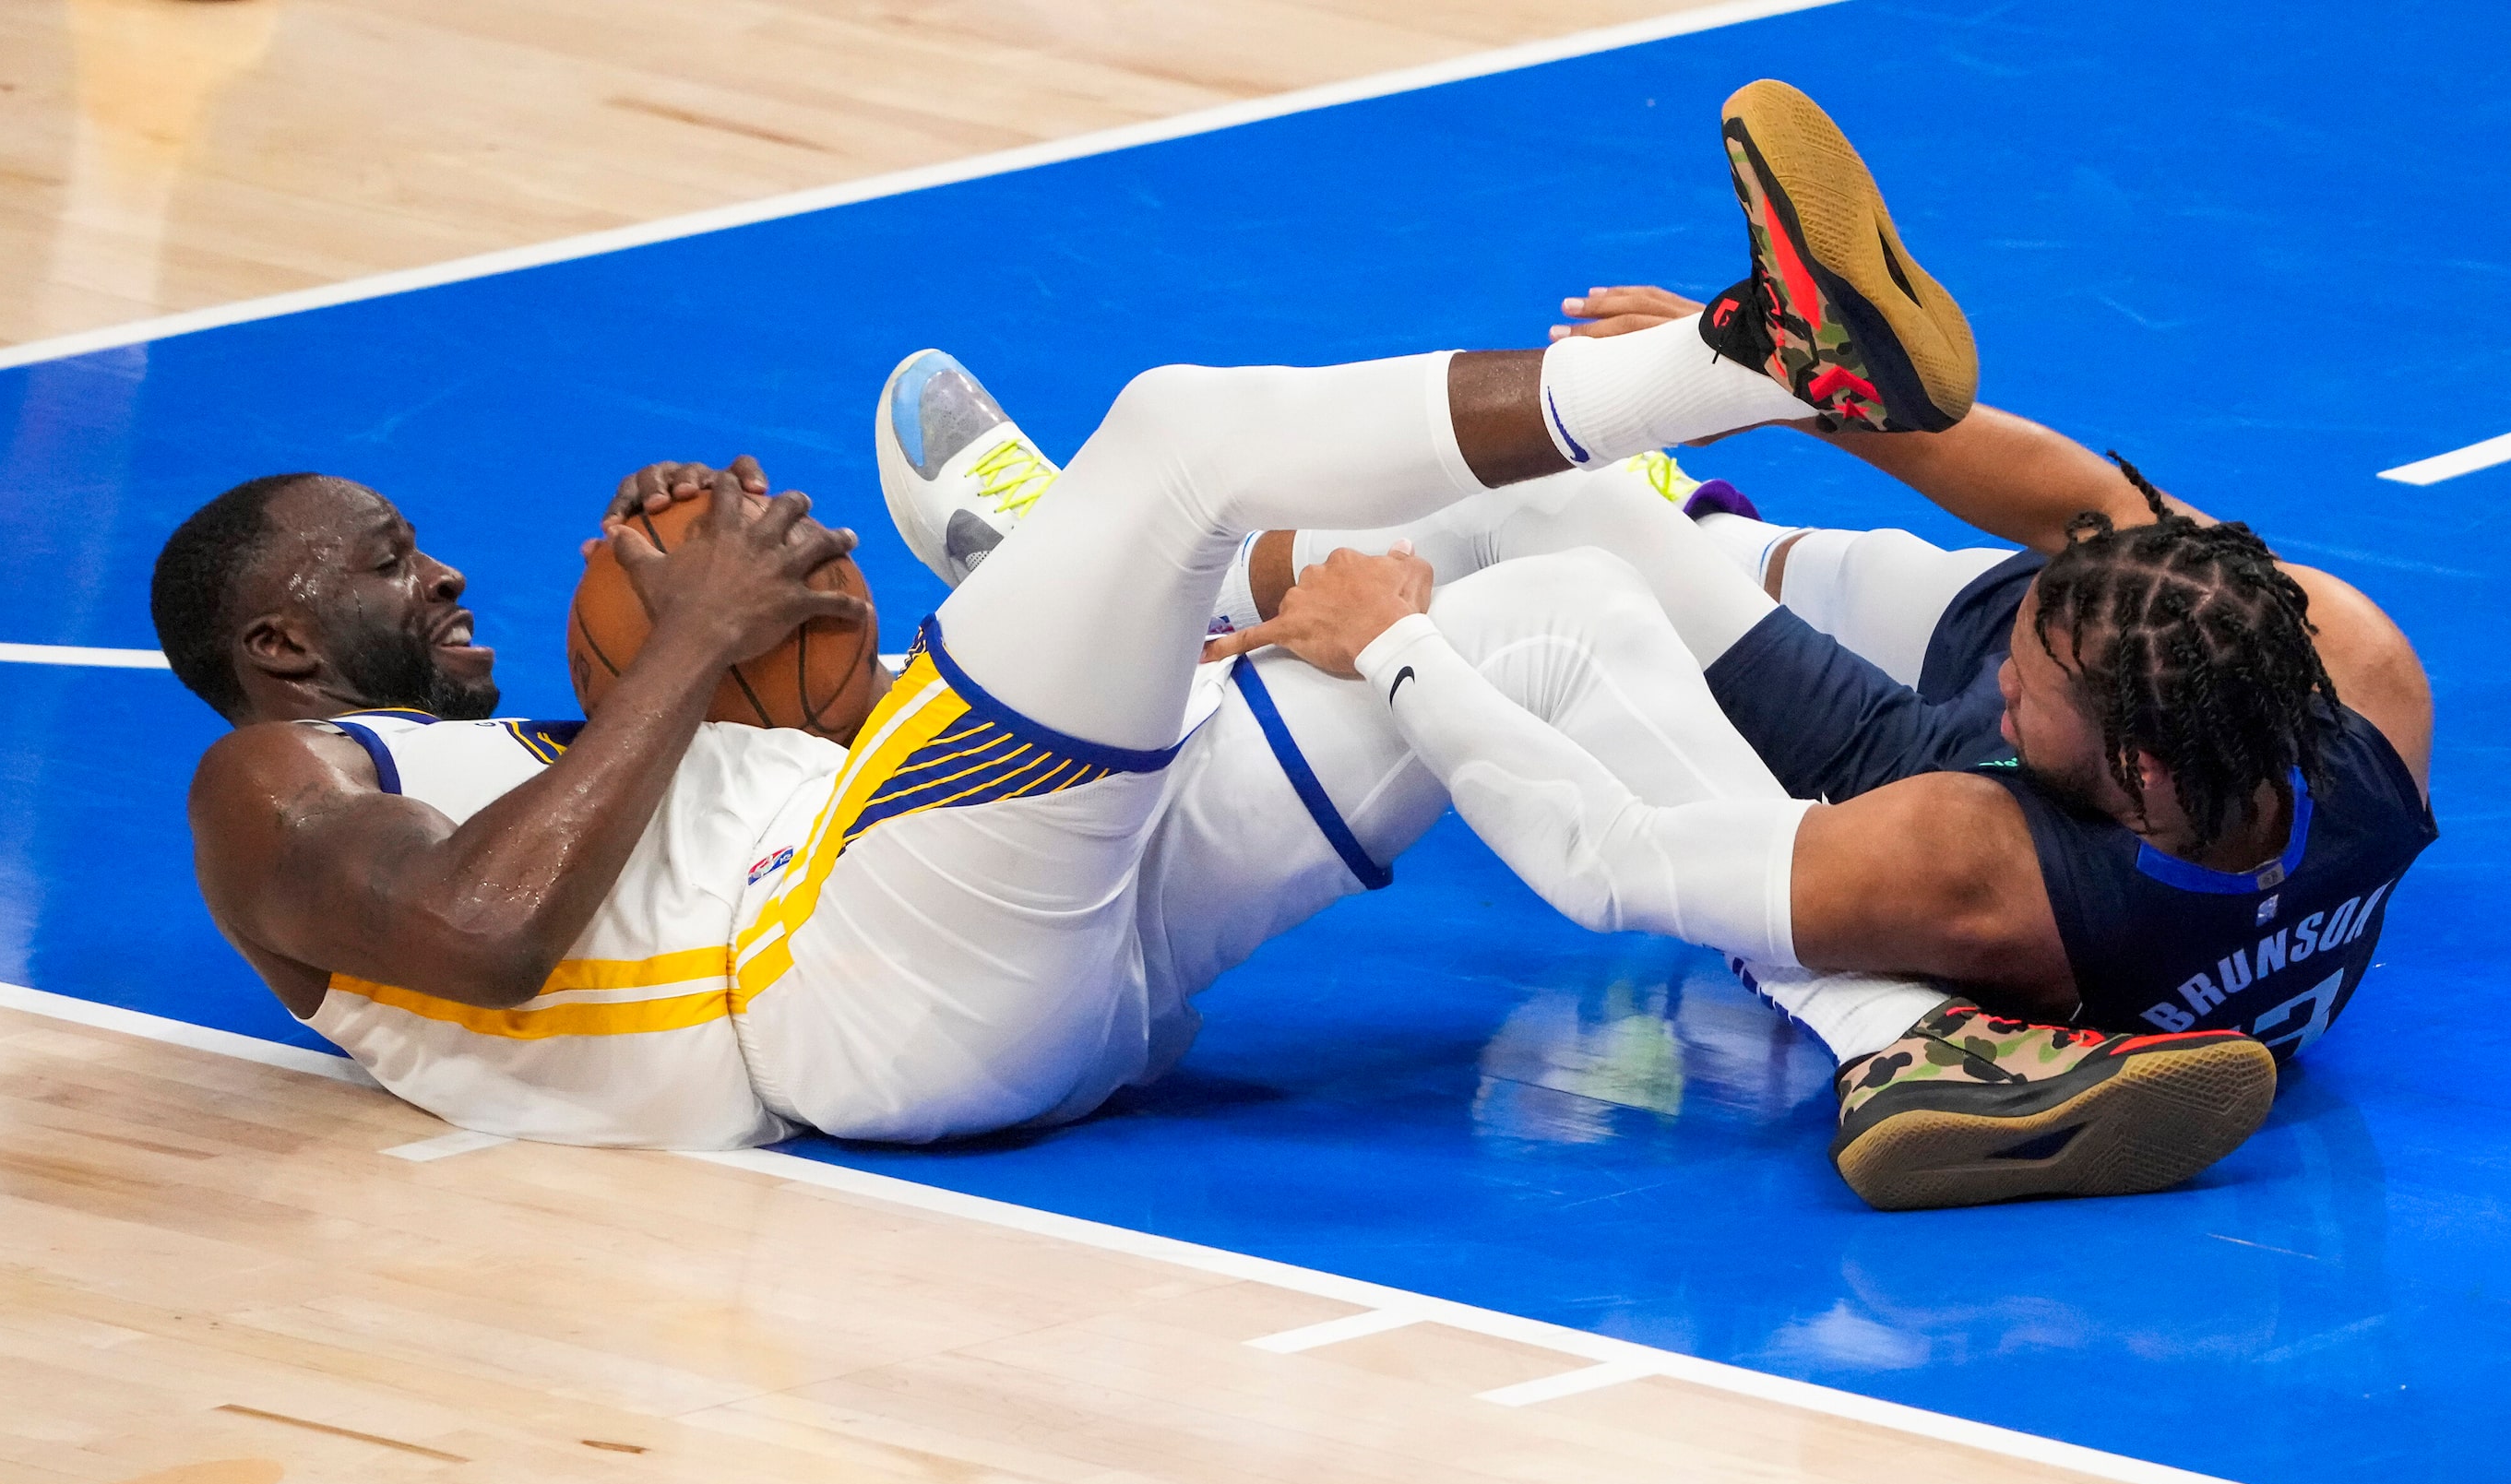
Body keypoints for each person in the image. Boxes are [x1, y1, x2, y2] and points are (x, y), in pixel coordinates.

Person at [154, 77, 2273, 1209]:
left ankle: (1904, 1042)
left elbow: (832, 784)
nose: (437, 581)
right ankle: (1750, 362)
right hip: (839, 1020)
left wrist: (741, 666)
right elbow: (485, 937)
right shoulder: (272, 792)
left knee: (1524, 613)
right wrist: (688, 640)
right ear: (279, 641)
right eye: (387, 565)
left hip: (1020, 972)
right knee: (1174, 446)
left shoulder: (554, 745)